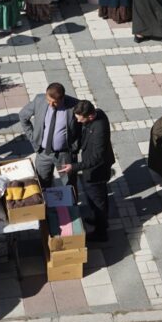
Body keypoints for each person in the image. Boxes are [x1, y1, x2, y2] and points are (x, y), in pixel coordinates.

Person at [59, 100, 114, 243]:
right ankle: (98, 220)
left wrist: (74, 167)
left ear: (90, 117)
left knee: (98, 201)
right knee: (96, 197)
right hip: (92, 168)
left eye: (79, 118)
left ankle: (101, 232)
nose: (77, 120)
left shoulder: (99, 130)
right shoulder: (98, 113)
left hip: (96, 171)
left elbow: (97, 158)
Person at [18, 83, 79, 186]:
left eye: (54, 102)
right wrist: (33, 138)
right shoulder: (39, 100)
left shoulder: (74, 105)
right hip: (43, 153)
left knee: (69, 184)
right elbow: (23, 116)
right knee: (42, 183)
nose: (50, 104)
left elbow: (83, 127)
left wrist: (75, 147)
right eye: (48, 100)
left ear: (62, 98)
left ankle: (71, 202)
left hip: (64, 154)